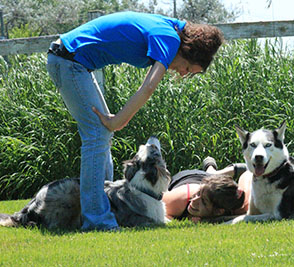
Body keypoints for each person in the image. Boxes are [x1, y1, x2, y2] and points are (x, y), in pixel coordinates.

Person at [46, 11, 224, 231]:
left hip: (73, 60)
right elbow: (149, 87)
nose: (181, 72)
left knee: (101, 134)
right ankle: (97, 220)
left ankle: (101, 211)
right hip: (68, 60)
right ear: (186, 50)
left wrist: (115, 122)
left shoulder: (171, 30)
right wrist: (118, 120)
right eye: (186, 67)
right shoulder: (169, 38)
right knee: (97, 135)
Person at [162, 157, 252, 222]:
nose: (194, 200)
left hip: (209, 183)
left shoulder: (239, 205)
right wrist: (185, 218)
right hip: (190, 178)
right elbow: (157, 212)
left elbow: (248, 174)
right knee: (211, 176)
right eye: (198, 194)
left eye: (204, 202)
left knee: (212, 177)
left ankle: (212, 169)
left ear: (219, 211)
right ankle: (223, 170)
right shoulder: (181, 199)